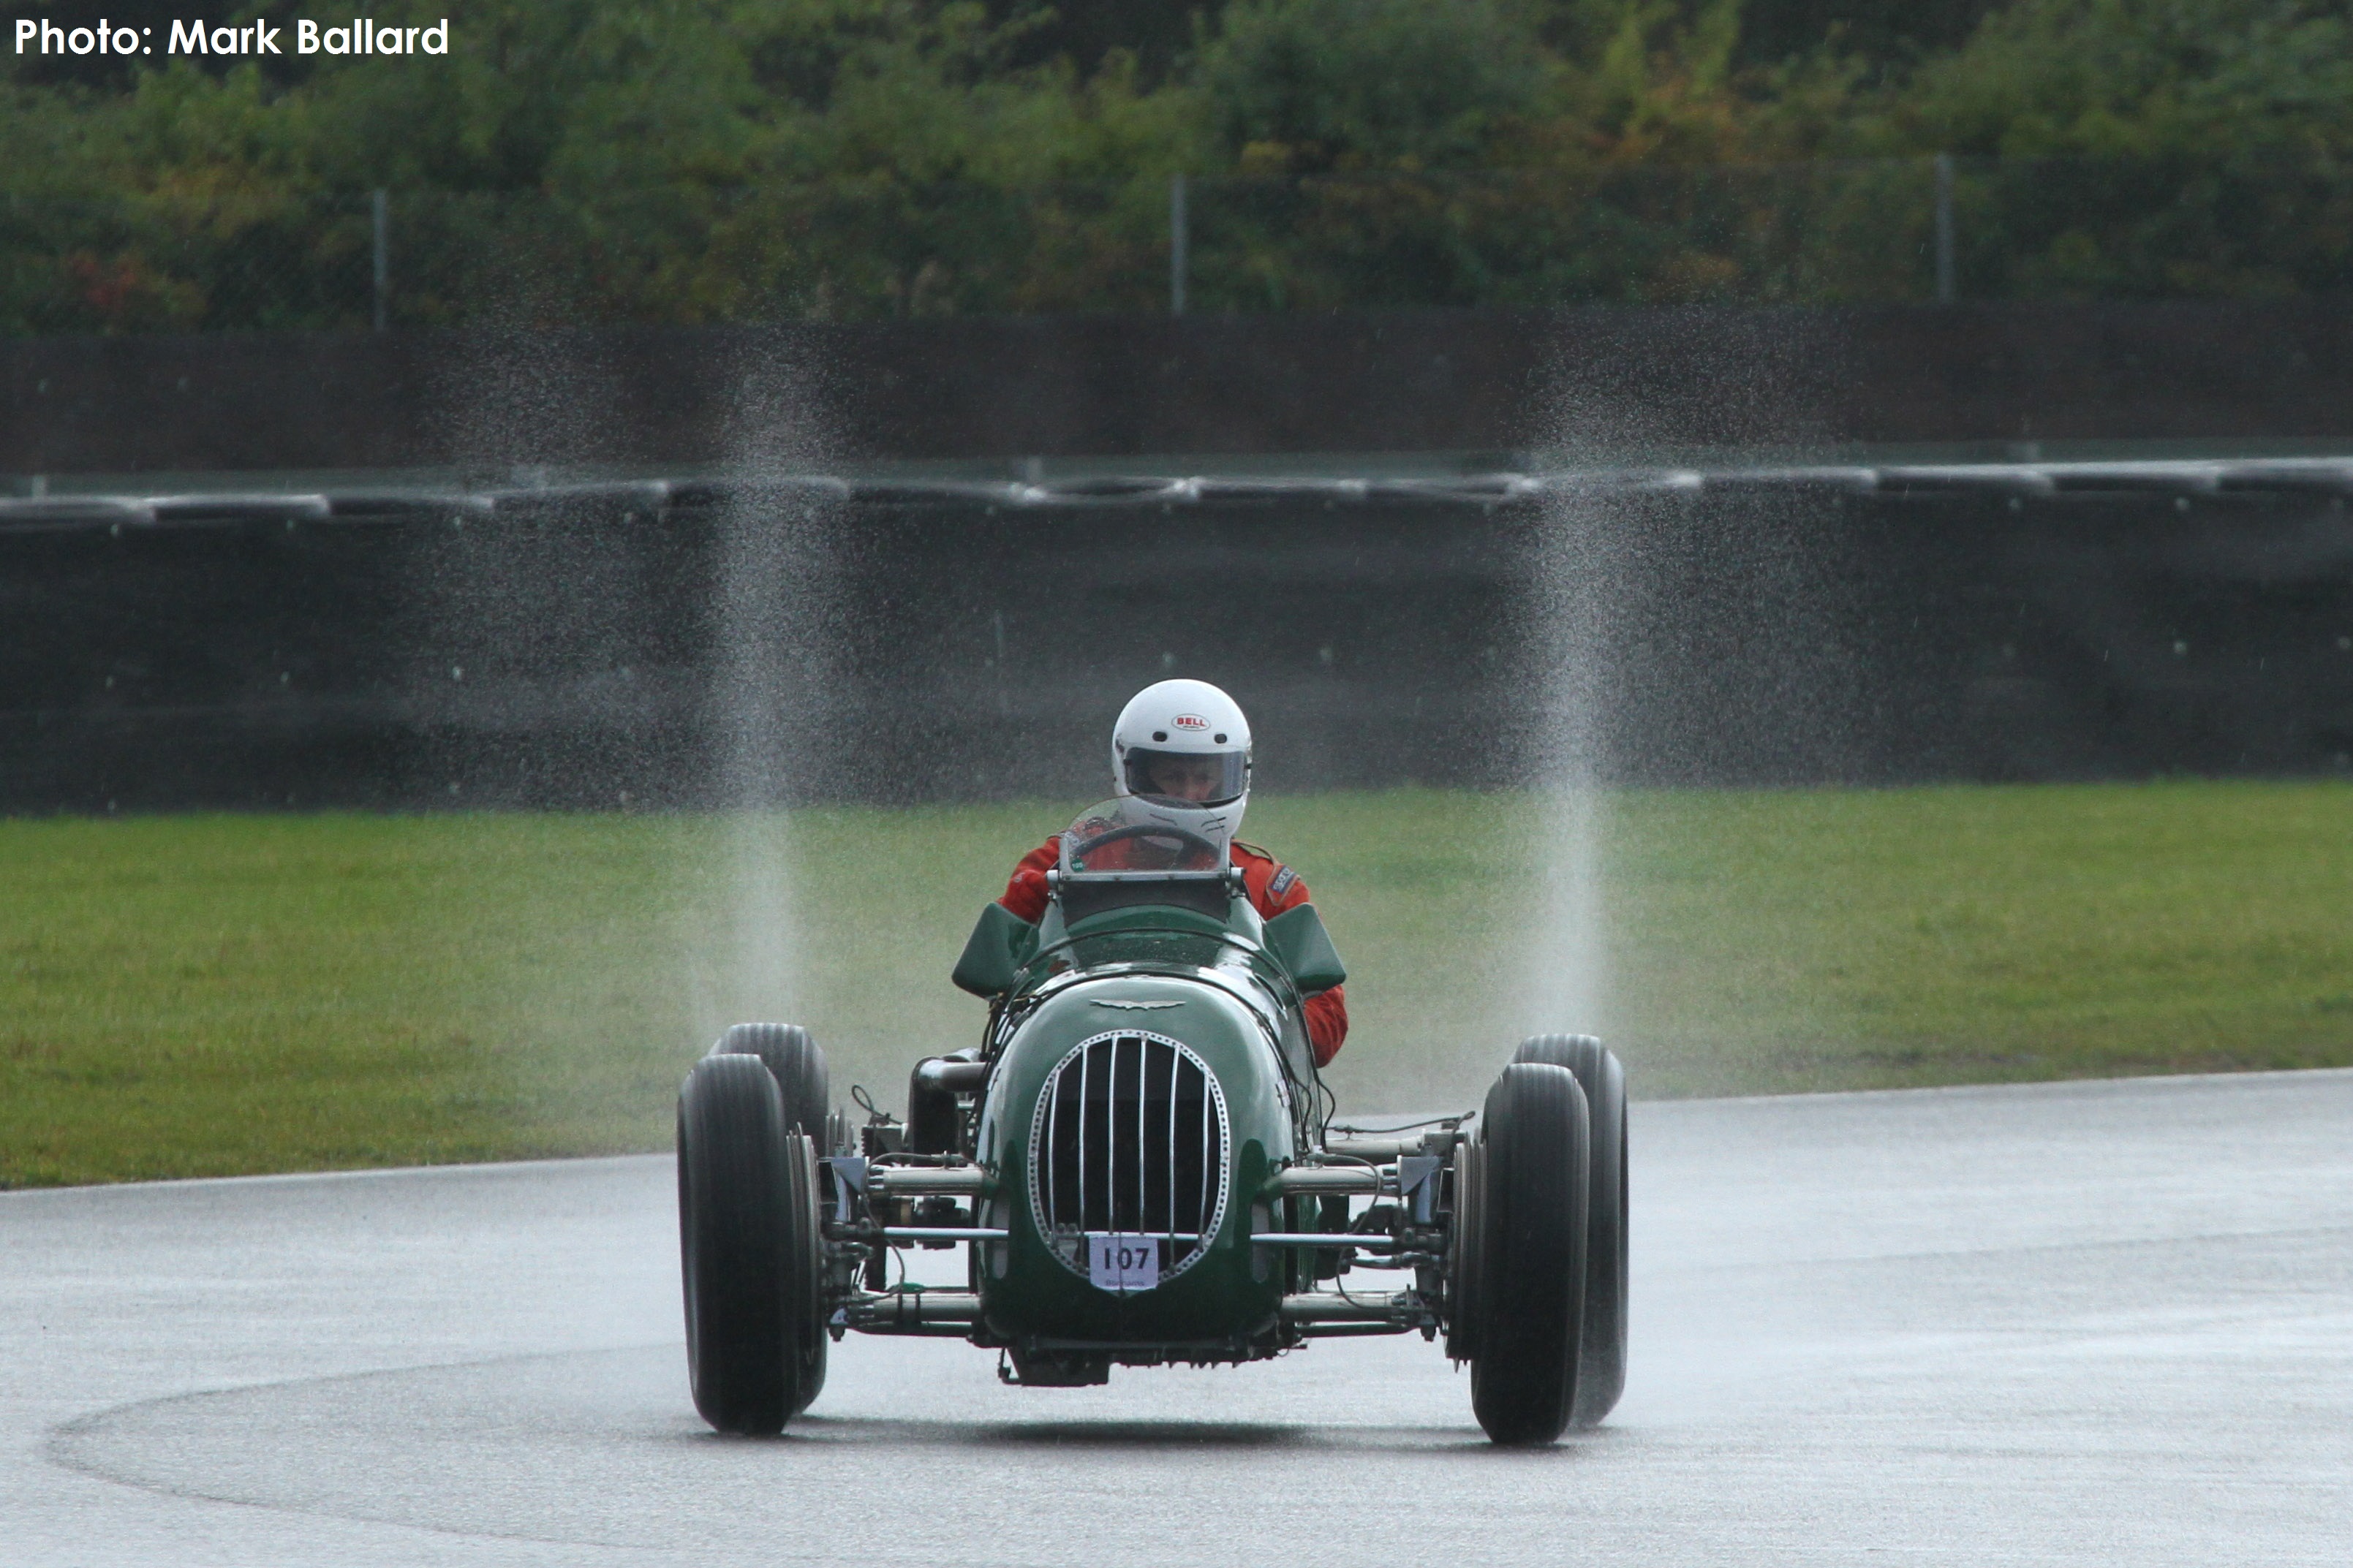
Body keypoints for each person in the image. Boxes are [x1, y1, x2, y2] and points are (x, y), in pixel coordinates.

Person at [995, 679, 1349, 1066]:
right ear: (1133, 772)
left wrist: (1257, 1025)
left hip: (1223, 1069)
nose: (1190, 794)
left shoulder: (1268, 886)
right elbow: (1000, 981)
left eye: (1205, 778)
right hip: (1085, 1056)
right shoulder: (1061, 865)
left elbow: (1327, 1019)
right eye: (1173, 777)